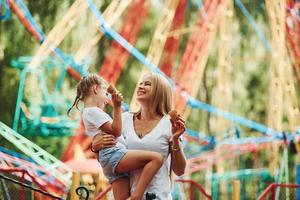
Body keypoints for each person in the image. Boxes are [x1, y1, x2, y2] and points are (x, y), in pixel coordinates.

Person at [67, 74, 164, 200]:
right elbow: (116, 131)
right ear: (96, 89)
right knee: (156, 158)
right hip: (114, 155)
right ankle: (137, 195)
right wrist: (117, 106)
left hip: (110, 159)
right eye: (105, 93)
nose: (107, 100)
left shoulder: (89, 113)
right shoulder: (93, 111)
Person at [92, 73, 187, 200]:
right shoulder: (124, 119)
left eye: (147, 84)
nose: (141, 86)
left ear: (160, 92)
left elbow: (180, 170)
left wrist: (175, 140)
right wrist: (96, 146)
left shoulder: (169, 124)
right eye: (140, 83)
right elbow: (107, 157)